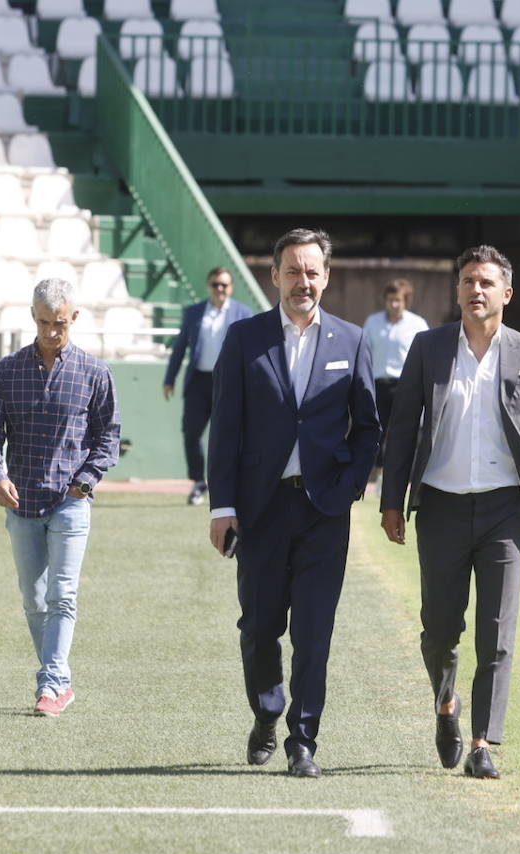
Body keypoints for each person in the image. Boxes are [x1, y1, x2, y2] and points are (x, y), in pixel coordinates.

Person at [379, 245, 520, 779]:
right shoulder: (429, 348)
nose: (476, 290)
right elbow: (400, 431)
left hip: (505, 510)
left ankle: (484, 742)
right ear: (457, 290)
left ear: (506, 294)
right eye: (467, 281)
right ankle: (447, 704)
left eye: (486, 282)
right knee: (439, 630)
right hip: (439, 505)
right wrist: (393, 500)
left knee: (497, 630)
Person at [207, 228, 379, 778]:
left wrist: (350, 483)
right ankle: (267, 712)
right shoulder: (245, 339)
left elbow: (369, 427)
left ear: (326, 277)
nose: (302, 281)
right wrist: (222, 506)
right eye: (292, 270)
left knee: (314, 631)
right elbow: (226, 429)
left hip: (324, 511)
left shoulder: (352, 341)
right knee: (259, 628)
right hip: (260, 510)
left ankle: (303, 740)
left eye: (312, 271)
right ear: (274, 275)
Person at [0, 279, 121, 717]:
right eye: (43, 322)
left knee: (62, 594)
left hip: (71, 501)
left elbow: (108, 438)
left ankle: (51, 684)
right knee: (33, 598)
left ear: (74, 318)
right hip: (20, 501)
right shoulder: (7, 371)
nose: (51, 331)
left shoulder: (96, 373)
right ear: (32, 316)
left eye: (59, 323)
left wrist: (86, 481)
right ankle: (61, 680)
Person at [163, 268, 253, 506]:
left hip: (230, 383)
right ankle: (198, 482)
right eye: (215, 285)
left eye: (224, 285)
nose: (219, 289)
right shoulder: (194, 312)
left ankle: (229, 483)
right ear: (208, 286)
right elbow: (180, 347)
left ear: (231, 288)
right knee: (191, 433)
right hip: (199, 382)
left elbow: (251, 351)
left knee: (230, 435)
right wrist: (169, 378)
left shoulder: (243, 313)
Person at [362, 278, 429, 484]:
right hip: (378, 385)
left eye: (398, 300)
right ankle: (378, 477)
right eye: (390, 300)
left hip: (405, 385)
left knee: (406, 432)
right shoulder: (373, 322)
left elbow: (425, 357)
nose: (393, 304)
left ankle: (407, 479)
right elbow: (364, 353)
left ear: (405, 301)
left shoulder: (417, 324)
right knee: (376, 432)